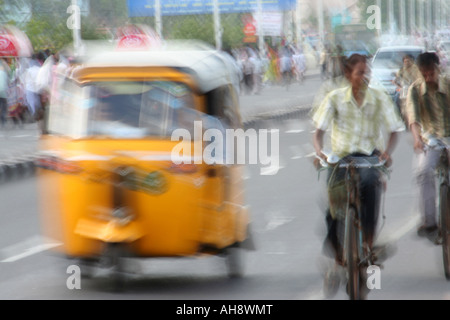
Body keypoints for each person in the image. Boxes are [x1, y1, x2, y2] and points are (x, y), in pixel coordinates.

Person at [312, 54, 404, 296]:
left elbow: (394, 128)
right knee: (332, 209)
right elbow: (318, 131)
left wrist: (386, 152)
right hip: (341, 158)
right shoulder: (334, 99)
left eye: (367, 72)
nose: (364, 77)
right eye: (359, 72)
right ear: (348, 75)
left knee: (371, 183)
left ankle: (369, 242)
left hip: (368, 156)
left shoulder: (378, 97)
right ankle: (339, 255)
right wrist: (319, 152)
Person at [405, 52, 450, 242]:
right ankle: (429, 221)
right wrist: (417, 139)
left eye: (431, 72)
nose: (428, 77)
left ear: (438, 68)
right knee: (423, 171)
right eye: (424, 73)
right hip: (430, 138)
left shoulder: (447, 85)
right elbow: (413, 118)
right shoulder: (414, 90)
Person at [392, 54, 422, 124]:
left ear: (412, 61)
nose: (407, 63)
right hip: (404, 93)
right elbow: (395, 81)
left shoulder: (417, 69)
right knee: (403, 109)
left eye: (408, 61)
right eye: (405, 61)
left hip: (415, 91)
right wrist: (400, 87)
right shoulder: (402, 70)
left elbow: (420, 79)